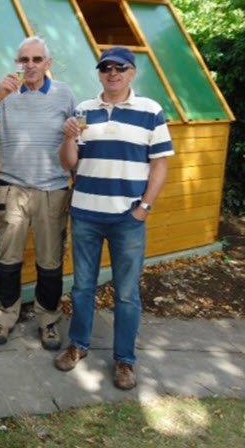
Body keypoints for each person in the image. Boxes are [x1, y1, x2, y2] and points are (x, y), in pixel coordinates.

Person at [55, 46, 173, 390]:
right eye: (106, 67)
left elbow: (160, 165)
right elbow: (69, 162)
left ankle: (125, 361)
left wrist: (144, 208)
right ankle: (78, 346)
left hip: (128, 219)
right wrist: (67, 137)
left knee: (126, 294)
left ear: (132, 72)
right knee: (81, 288)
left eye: (120, 67)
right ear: (100, 73)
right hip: (87, 215)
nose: (113, 73)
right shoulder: (83, 111)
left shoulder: (150, 111)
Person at [0, 36, 75, 350]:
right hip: (12, 190)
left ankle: (48, 320)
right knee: (7, 260)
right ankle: (5, 315)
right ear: (17, 64)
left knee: (50, 263)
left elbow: (77, 137)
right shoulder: (7, 94)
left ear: (48, 64)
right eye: (24, 60)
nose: (30, 65)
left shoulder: (65, 95)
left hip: (53, 190)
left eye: (37, 59)